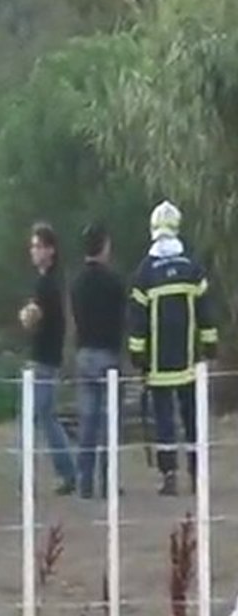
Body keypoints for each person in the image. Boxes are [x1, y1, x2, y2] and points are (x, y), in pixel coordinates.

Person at [128, 200, 218, 496]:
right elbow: (205, 312)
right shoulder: (192, 269)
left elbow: (137, 321)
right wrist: (210, 346)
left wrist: (137, 356)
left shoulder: (144, 272)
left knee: (164, 422)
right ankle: (196, 474)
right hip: (190, 363)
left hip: (158, 367)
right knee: (192, 419)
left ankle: (169, 477)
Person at [19, 222, 77, 495]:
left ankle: (30, 476)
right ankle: (68, 470)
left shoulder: (46, 284)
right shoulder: (51, 281)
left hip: (43, 359)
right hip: (47, 358)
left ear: (50, 250)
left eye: (38, 246)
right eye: (32, 246)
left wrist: (24, 315)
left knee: (31, 419)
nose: (34, 251)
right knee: (46, 417)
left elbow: (33, 317)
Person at [71, 223, 126, 499]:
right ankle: (109, 480)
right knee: (110, 423)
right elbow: (121, 319)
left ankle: (84, 483)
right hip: (108, 354)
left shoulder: (77, 282)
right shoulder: (114, 282)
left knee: (88, 422)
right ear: (104, 246)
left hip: (84, 353)